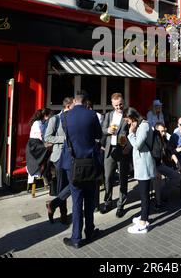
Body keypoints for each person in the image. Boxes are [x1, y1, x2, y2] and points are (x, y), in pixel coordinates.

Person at [60, 92, 102, 249]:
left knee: (76, 202)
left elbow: (68, 137)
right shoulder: (92, 115)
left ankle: (76, 238)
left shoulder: (64, 117)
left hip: (73, 164)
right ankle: (90, 231)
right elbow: (98, 135)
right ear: (85, 102)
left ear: (73, 102)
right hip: (90, 163)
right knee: (90, 199)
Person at [125, 107, 156, 234]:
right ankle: (144, 216)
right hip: (141, 163)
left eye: (127, 120)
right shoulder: (141, 126)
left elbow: (138, 144)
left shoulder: (144, 126)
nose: (127, 123)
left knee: (144, 194)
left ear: (132, 117)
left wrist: (131, 133)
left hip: (144, 164)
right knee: (143, 192)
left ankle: (143, 223)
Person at [44, 97, 74, 225]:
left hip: (72, 156)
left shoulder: (73, 118)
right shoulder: (54, 119)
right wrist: (64, 138)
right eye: (74, 105)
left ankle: (53, 204)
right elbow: (47, 137)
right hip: (59, 157)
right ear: (67, 106)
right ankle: (63, 215)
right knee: (62, 186)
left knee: (73, 183)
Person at [101, 93, 131, 217]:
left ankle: (121, 205)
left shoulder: (128, 115)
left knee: (123, 178)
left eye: (120, 104)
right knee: (108, 178)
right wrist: (107, 130)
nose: (119, 107)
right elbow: (101, 130)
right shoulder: (108, 115)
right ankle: (108, 202)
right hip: (109, 150)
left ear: (123, 103)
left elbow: (132, 132)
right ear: (112, 105)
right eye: (116, 105)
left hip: (122, 150)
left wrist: (128, 147)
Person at [152, 122, 181, 209]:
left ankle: (163, 194)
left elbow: (170, 151)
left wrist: (177, 162)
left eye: (164, 131)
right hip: (152, 165)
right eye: (161, 131)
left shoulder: (164, 139)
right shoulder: (152, 140)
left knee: (176, 176)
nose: (163, 133)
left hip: (161, 164)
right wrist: (155, 170)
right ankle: (158, 202)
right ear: (156, 131)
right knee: (158, 178)